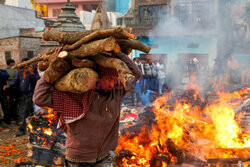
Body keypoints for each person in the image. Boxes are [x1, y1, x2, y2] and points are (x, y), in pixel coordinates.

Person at [33, 52, 142, 167]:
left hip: (105, 156)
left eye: (115, 80)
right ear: (98, 77)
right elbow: (40, 98)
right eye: (109, 79)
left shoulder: (116, 92)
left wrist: (118, 52)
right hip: (78, 159)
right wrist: (49, 74)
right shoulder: (77, 94)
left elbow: (136, 74)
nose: (112, 83)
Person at [4, 58, 40, 136]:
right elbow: (15, 80)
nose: (26, 66)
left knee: (27, 112)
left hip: (32, 94)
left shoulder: (33, 71)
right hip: (23, 94)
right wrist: (9, 85)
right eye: (24, 65)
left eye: (27, 64)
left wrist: (32, 73)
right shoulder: (20, 72)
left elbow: (38, 80)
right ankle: (27, 129)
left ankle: (24, 129)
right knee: (26, 112)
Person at [5, 59, 18, 124]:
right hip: (13, 88)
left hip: (7, 88)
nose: (14, 63)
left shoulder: (4, 70)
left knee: (9, 103)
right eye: (13, 62)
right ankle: (14, 117)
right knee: (14, 103)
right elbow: (16, 77)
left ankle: (9, 118)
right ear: (11, 63)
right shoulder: (14, 70)